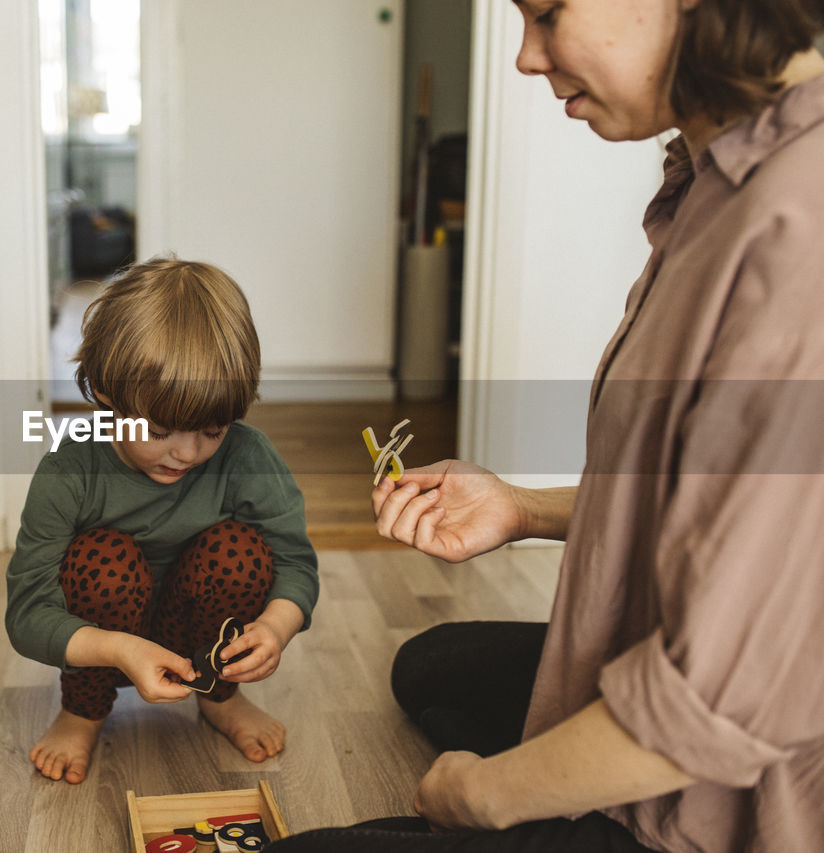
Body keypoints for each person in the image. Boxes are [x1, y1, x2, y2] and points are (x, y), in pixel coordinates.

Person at [268, 0, 824, 851]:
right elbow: (717, 502)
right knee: (434, 667)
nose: (526, 57)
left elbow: (713, 706)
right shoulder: (715, 175)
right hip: (700, 678)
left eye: (549, 14)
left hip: (727, 796)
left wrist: (481, 793)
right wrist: (519, 508)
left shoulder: (797, 228)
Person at [5, 257, 319, 784]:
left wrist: (275, 626)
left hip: (196, 630)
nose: (188, 452)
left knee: (241, 550)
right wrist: (117, 649)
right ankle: (83, 711)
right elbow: (27, 614)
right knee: (102, 558)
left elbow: (294, 563)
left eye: (213, 431)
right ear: (107, 392)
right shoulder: (68, 470)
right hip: (105, 633)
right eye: (161, 430)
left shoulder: (248, 457)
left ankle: (219, 698)